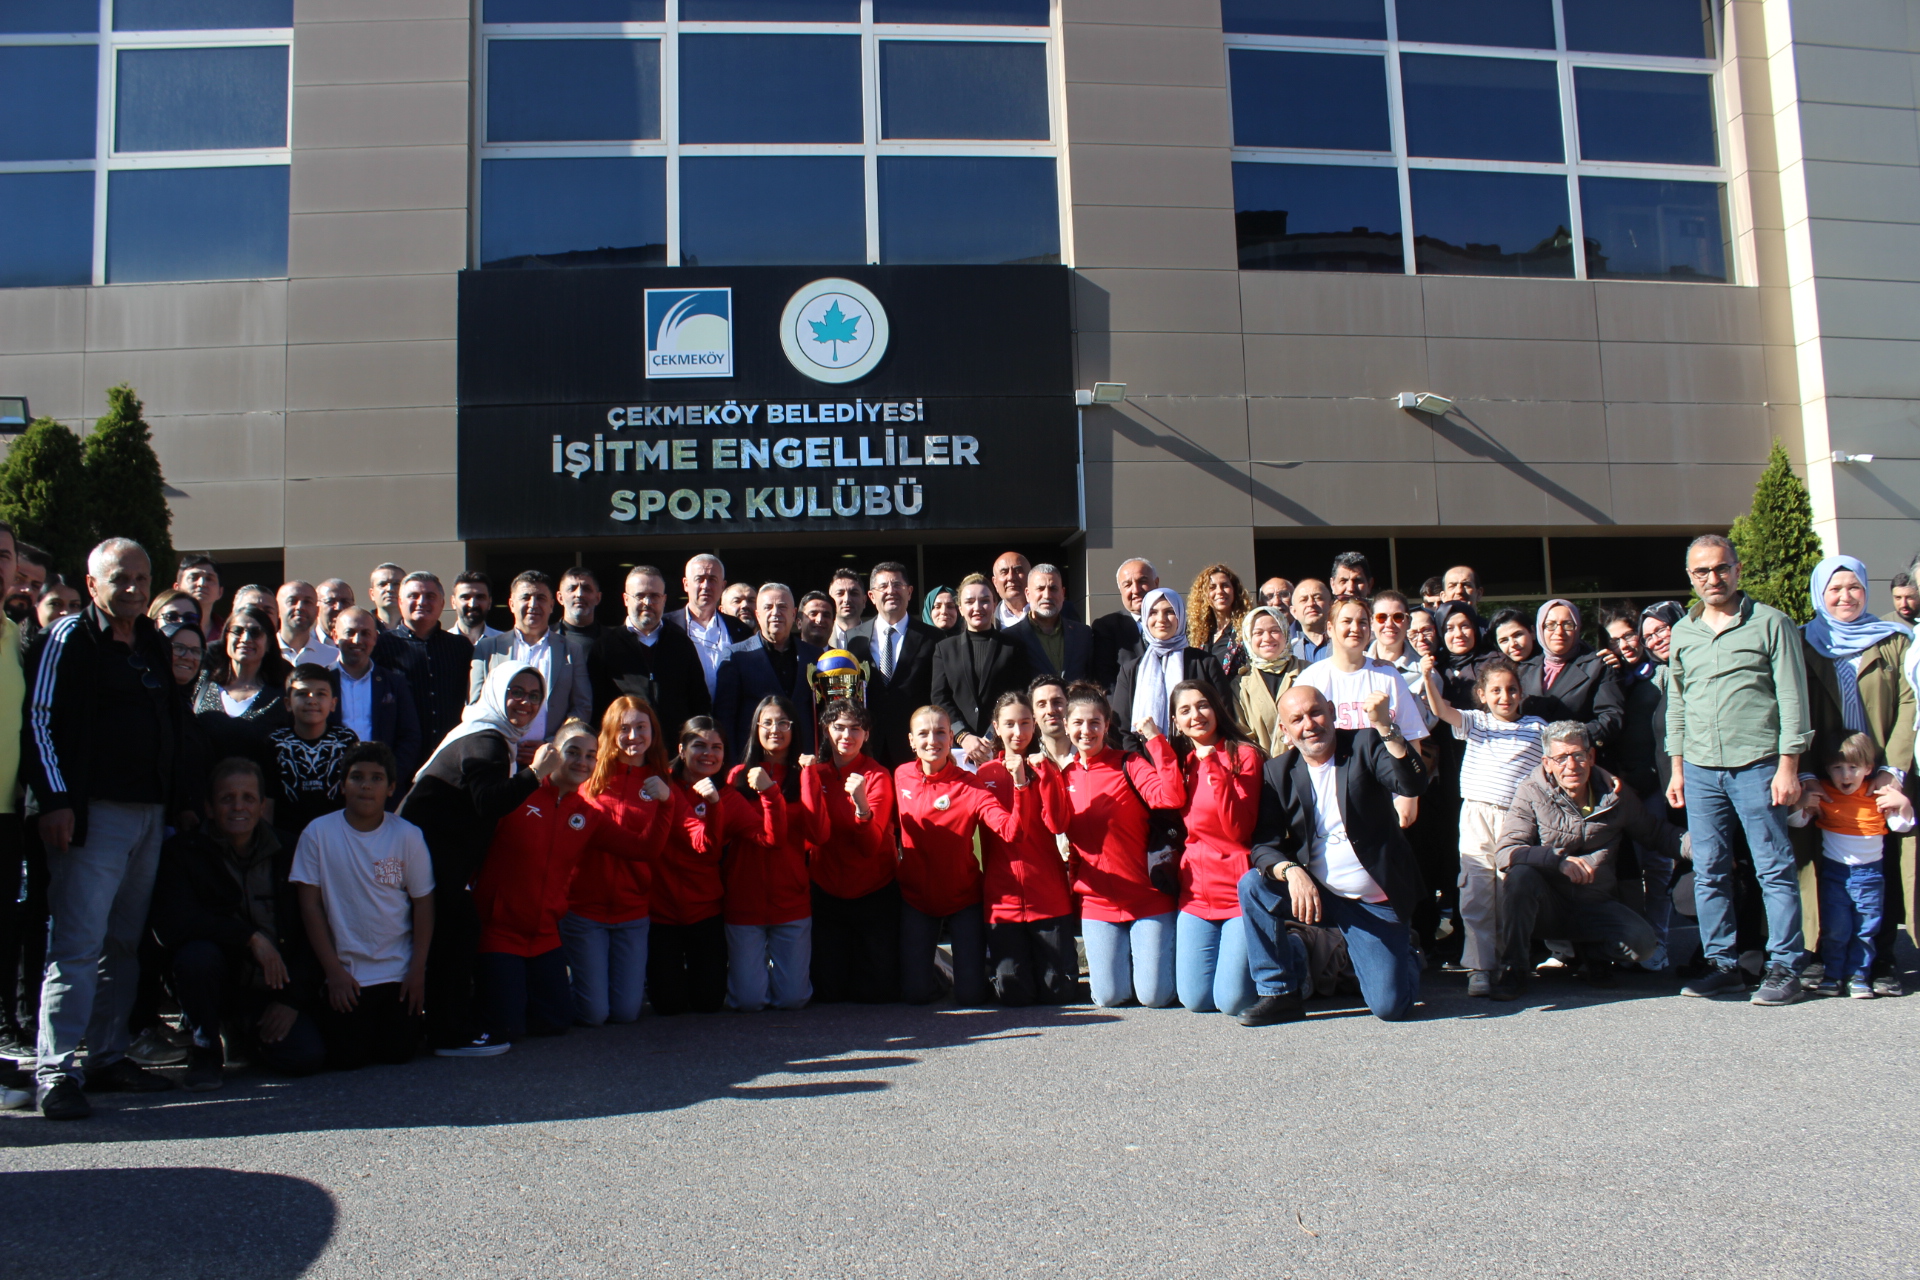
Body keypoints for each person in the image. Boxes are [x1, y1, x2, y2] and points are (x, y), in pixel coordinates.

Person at [1667, 534, 1813, 1006]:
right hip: (1700, 769)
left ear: (1737, 569)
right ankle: (1722, 965)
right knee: (1709, 870)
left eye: (1721, 568)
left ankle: (1786, 966)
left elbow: (1792, 698)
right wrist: (1677, 768)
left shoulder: (1772, 623)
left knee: (1774, 868)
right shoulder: (1684, 632)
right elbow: (1677, 703)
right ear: (1690, 577)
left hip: (1758, 765)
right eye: (1702, 571)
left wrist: (1788, 765)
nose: (1713, 578)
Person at [1237, 685, 1429, 1026]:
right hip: (1319, 894)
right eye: (1297, 719)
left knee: (1391, 1009)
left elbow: (1412, 785)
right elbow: (1264, 844)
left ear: (1331, 710)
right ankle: (1279, 993)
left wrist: (1386, 728)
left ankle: (1406, 954)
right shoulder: (1278, 772)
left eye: (1315, 713)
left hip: (1373, 903)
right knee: (1253, 885)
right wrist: (1291, 870)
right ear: (1284, 729)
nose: (1309, 725)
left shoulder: (1365, 744)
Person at [472, 719, 660, 1048]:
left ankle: (520, 994)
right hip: (500, 933)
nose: (582, 762)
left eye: (590, 756)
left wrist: (667, 804)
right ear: (553, 752)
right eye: (573, 752)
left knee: (556, 1023)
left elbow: (643, 849)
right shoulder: (516, 795)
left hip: (545, 937)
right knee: (507, 1030)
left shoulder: (588, 815)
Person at [398, 662, 549, 1055]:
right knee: (457, 936)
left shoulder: (487, 734)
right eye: (517, 691)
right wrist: (536, 774)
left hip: (429, 856)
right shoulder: (488, 741)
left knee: (450, 936)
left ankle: (439, 1026)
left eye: (535, 696)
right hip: (429, 858)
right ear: (496, 692)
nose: (526, 702)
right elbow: (489, 802)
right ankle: (450, 1034)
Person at [151, 757, 325, 1090]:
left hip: (274, 988)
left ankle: (244, 1035)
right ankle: (205, 1047)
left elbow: (314, 929)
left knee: (305, 1057)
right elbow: (173, 924)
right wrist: (250, 937)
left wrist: (291, 1001)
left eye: (248, 798)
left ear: (262, 806)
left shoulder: (291, 850)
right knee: (196, 956)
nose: (238, 807)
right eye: (226, 798)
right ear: (209, 807)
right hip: (216, 983)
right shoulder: (182, 853)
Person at [1493, 722, 1681, 999]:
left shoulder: (1615, 794)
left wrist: (1705, 848)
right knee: (1520, 875)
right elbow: (1506, 851)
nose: (1571, 765)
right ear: (1547, 763)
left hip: (1596, 902)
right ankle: (1514, 968)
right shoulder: (1531, 791)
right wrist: (1557, 860)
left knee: (1643, 945)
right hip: (1548, 906)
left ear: (1591, 756)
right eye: (1561, 758)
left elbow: (1655, 833)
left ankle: (1593, 952)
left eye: (1578, 755)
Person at [1799, 555, 1915, 995]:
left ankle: (1881, 959)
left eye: (1854, 588)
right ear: (1820, 593)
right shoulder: (1804, 642)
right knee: (1824, 867)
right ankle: (1822, 956)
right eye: (1835, 589)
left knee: (1882, 868)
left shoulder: (1893, 640)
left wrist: (1891, 771)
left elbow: (1910, 704)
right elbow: (1792, 706)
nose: (1845, 596)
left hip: (1880, 776)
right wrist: (1805, 774)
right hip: (1826, 776)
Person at [292, 741, 435, 1070]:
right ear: (343, 785)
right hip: (348, 974)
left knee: (398, 1053)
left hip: (398, 973)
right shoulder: (318, 834)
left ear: (392, 788)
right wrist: (333, 972)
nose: (366, 786)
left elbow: (424, 903)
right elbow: (310, 906)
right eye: (357, 777)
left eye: (376, 778)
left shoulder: (408, 836)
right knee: (347, 1059)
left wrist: (417, 970)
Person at [1051, 682, 1185, 1008]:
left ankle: (1147, 963)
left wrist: (1155, 740)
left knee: (1154, 996)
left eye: (1094, 723)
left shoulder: (1130, 764)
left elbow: (1172, 796)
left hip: (1148, 898)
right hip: (1099, 903)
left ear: (1107, 725)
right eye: (1078, 723)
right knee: (1109, 996)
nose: (1086, 731)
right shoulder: (1063, 776)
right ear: (1066, 726)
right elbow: (1056, 827)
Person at [1420, 655, 1545, 995]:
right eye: (1496, 691)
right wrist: (1427, 677)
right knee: (1476, 890)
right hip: (1476, 814)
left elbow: (1561, 756)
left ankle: (1504, 963)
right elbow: (1441, 710)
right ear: (1482, 695)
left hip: (1516, 819)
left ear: (1521, 693)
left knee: (1506, 892)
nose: (1505, 697)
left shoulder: (1537, 728)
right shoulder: (1477, 722)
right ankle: (1479, 967)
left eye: (1511, 689)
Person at [893, 705, 1029, 1005]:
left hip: (963, 897)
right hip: (917, 898)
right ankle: (941, 971)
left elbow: (1011, 832)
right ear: (911, 741)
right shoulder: (901, 775)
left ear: (951, 737)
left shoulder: (970, 785)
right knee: (915, 995)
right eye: (923, 734)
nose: (933, 740)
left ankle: (967, 975)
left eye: (940, 732)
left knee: (971, 997)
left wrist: (1020, 785)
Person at [562, 698, 675, 1026]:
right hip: (584, 909)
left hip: (632, 912)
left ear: (653, 730)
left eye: (641, 727)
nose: (633, 736)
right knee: (594, 1014)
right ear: (610, 732)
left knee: (626, 1013)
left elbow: (655, 848)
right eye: (624, 728)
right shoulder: (588, 775)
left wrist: (668, 801)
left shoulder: (661, 780)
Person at [652, 716, 765, 1015]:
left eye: (716, 747)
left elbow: (767, 837)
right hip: (659, 911)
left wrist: (771, 796)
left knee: (708, 1003)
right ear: (681, 749)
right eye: (699, 745)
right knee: (668, 1006)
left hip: (705, 911)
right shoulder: (662, 785)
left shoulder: (728, 796)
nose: (708, 753)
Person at [1790, 731, 1916, 998]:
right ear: (1827, 769)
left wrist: (1904, 804)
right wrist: (1801, 803)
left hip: (1870, 876)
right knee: (1836, 929)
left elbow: (1901, 825)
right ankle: (1833, 975)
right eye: (1837, 768)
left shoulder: (1877, 795)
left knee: (1865, 929)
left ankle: (1859, 975)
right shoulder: (1824, 793)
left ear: (1869, 768)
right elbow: (1798, 821)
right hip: (1835, 874)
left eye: (1853, 768)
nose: (1845, 775)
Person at [1168, 680, 1262, 1016]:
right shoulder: (1184, 763)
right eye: (1185, 710)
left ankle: (1290, 952)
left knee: (1231, 1001)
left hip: (1237, 893)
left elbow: (1238, 831)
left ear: (1217, 708)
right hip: (1196, 896)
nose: (1196, 715)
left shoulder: (1244, 755)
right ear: (1176, 722)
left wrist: (1214, 768)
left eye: (1202, 705)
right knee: (1195, 1000)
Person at [975, 692, 1076, 1006]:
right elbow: (1009, 833)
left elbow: (1057, 823)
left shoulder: (1048, 768)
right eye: (1009, 724)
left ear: (1034, 724)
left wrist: (1045, 777)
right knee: (1014, 994)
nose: (1018, 732)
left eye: (1024, 723)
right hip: (1003, 901)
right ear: (996, 727)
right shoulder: (985, 775)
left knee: (1059, 993)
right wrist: (1019, 783)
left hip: (1048, 898)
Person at [798, 699, 899, 1003]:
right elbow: (815, 835)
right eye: (839, 727)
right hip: (827, 891)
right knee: (828, 992)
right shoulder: (815, 772)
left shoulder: (878, 775)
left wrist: (862, 805)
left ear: (867, 734)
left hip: (873, 891)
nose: (847, 735)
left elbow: (869, 847)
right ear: (826, 730)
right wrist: (808, 777)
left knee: (876, 994)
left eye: (856, 728)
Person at [721, 696, 807, 1012]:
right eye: (767, 722)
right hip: (745, 899)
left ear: (794, 729)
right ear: (755, 728)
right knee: (748, 1000)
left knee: (793, 999)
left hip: (790, 898)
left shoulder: (803, 775)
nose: (775, 729)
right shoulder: (736, 776)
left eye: (783, 722)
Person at [469, 570, 594, 764]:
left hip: (551, 759)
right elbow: (475, 705)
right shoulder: (487, 648)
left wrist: (553, 743)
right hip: (498, 756)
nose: (533, 604)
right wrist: (503, 743)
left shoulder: (571, 650)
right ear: (511, 604)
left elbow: (582, 707)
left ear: (552, 605)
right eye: (525, 597)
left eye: (541, 598)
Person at [587, 564, 710, 738]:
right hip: (626, 745)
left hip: (673, 747)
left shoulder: (681, 643)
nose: (647, 603)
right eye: (640, 596)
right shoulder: (605, 647)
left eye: (654, 596)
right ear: (626, 599)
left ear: (664, 600)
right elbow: (597, 706)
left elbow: (698, 700)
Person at [843, 562, 940, 768]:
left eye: (897, 585)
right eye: (883, 586)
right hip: (868, 746)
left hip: (915, 746)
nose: (891, 591)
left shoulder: (933, 638)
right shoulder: (853, 639)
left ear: (909, 592)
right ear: (871, 596)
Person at [1297, 598, 1431, 746]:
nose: (1355, 628)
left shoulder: (1389, 675)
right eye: (1347, 621)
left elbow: (1412, 737)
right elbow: (1296, 741)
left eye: (1362, 622)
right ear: (1330, 628)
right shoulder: (1310, 679)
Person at [931, 575, 1032, 767]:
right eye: (970, 602)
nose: (977, 607)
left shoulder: (1013, 647)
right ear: (960, 608)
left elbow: (1019, 695)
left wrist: (991, 737)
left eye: (984, 600)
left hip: (1001, 746)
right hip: (958, 750)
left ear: (994, 604)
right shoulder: (944, 649)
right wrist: (963, 736)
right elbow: (940, 698)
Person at [372, 572, 476, 759]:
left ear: (442, 604)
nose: (422, 602)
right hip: (400, 756)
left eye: (430, 596)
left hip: (451, 755)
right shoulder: (381, 646)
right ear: (400, 602)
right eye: (413, 596)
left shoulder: (460, 647)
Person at [716, 583, 822, 762]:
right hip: (754, 761)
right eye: (768, 607)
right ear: (757, 614)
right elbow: (726, 717)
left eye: (782, 607)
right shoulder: (736, 656)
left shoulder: (814, 656)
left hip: (804, 759)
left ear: (794, 614)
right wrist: (733, 765)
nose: (775, 613)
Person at [1111, 587, 1225, 748]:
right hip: (1144, 760)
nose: (1161, 619)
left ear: (1180, 616)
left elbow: (1224, 715)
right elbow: (1121, 729)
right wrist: (1141, 763)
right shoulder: (1131, 670)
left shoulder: (1205, 663)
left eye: (1169, 612)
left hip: (1199, 756)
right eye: (1153, 613)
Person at [192, 603, 292, 773]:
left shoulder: (281, 695)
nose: (245, 639)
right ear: (226, 638)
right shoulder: (202, 683)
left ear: (268, 643)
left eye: (255, 632)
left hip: (260, 787)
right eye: (237, 631)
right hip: (203, 786)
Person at [1518, 600, 1625, 757]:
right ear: (1540, 628)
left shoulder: (1599, 666)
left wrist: (1570, 738)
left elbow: (1611, 719)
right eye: (1551, 625)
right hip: (1530, 761)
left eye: (1567, 624)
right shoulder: (1523, 669)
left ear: (1577, 627)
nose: (1559, 632)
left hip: (1578, 760)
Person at [332, 608, 422, 792]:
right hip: (331, 786)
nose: (357, 640)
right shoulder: (322, 682)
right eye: (350, 632)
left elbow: (410, 736)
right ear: (335, 636)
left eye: (365, 633)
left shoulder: (394, 684)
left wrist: (389, 778)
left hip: (381, 790)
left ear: (375, 638)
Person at [269, 664, 358, 842]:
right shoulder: (275, 743)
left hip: (337, 838)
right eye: (302, 694)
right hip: (287, 838)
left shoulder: (346, 740)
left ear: (333, 703)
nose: (312, 700)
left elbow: (354, 795)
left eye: (321, 694)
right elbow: (267, 800)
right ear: (287, 703)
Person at [667, 554, 753, 702]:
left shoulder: (740, 630)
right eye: (699, 579)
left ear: (722, 586)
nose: (706, 586)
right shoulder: (666, 626)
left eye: (712, 579)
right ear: (686, 584)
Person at [1233, 605, 1303, 758]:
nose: (1267, 638)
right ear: (1248, 638)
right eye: (1258, 633)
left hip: (1307, 765)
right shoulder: (1240, 685)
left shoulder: (1309, 672)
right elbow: (1242, 736)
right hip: (1263, 768)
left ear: (1286, 632)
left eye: (1275, 631)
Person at [1006, 563, 1094, 682]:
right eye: (1040, 589)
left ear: (1063, 594)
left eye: (1053, 589)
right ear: (1027, 594)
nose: (1047, 595)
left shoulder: (1083, 634)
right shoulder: (1010, 638)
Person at [1367, 590, 1433, 727]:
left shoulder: (1426, 672)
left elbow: (1426, 724)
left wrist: (1397, 682)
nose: (1389, 624)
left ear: (1408, 622)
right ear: (1371, 622)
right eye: (1381, 617)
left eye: (1398, 617)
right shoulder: (1356, 664)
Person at [1091, 557, 1159, 689]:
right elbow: (1106, 680)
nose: (1136, 590)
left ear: (1156, 583)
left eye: (1142, 581)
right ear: (1120, 590)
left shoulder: (1176, 623)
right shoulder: (1106, 627)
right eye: (1127, 585)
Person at [1188, 563, 1251, 683]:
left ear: (1234, 590)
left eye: (1225, 585)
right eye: (1212, 587)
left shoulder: (1248, 628)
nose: (1220, 591)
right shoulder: (1198, 633)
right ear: (1203, 594)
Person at [276, 581, 340, 668]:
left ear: (317, 611)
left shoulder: (333, 657)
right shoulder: (264, 652)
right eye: (292, 601)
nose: (300, 607)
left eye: (307, 602)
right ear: (277, 608)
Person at [1028, 674, 1075, 769]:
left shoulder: (1090, 752)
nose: (1050, 710)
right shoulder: (1027, 762)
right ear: (1033, 714)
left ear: (1069, 705)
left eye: (1057, 702)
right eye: (1042, 705)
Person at [451, 571, 503, 646]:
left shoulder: (505, 643)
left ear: (489, 603)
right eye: (465, 597)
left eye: (480, 597)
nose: (472, 604)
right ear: (453, 602)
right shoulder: (440, 644)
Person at [1289, 579, 1333, 663]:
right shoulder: (1288, 653)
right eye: (1303, 600)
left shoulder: (1346, 644)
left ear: (1331, 606)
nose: (1311, 604)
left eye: (1318, 598)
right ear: (1294, 612)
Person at [557, 567, 604, 643]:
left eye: (587, 589)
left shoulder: (614, 641)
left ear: (598, 598)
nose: (579, 594)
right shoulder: (544, 639)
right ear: (560, 598)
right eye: (572, 589)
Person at [175, 554, 224, 627]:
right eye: (193, 578)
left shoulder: (228, 632)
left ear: (220, 592)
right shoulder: (163, 629)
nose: (202, 584)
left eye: (209, 579)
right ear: (177, 588)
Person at [827, 567, 867, 648]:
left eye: (854, 593)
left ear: (864, 601)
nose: (847, 599)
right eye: (840, 593)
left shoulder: (877, 637)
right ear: (830, 600)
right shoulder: (821, 638)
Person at [992, 550, 1031, 629]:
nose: (1011, 577)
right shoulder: (988, 622)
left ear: (1031, 577)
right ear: (995, 583)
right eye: (1004, 572)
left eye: (1018, 571)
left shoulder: (1050, 614)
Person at [367, 563, 406, 631]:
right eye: (382, 584)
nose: (390, 589)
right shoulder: (362, 627)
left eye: (396, 584)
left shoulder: (418, 626)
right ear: (372, 594)